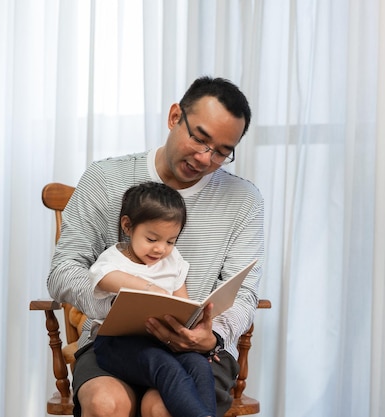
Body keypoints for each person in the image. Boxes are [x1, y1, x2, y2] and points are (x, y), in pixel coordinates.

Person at [47, 76, 264, 417]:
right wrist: (119, 310)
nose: (205, 158)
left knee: (163, 407)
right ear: (175, 117)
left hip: (199, 350)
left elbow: (245, 293)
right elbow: (62, 272)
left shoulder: (244, 201)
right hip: (115, 342)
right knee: (106, 405)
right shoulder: (105, 179)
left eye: (222, 152)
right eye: (200, 139)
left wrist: (213, 336)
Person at [90, 181, 216, 417]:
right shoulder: (114, 259)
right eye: (151, 239)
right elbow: (103, 277)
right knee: (164, 366)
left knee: (199, 365)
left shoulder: (172, 260)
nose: (161, 249)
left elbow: (184, 305)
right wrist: (150, 289)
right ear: (128, 226)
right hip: (116, 344)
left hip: (163, 342)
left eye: (170, 241)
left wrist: (194, 321)